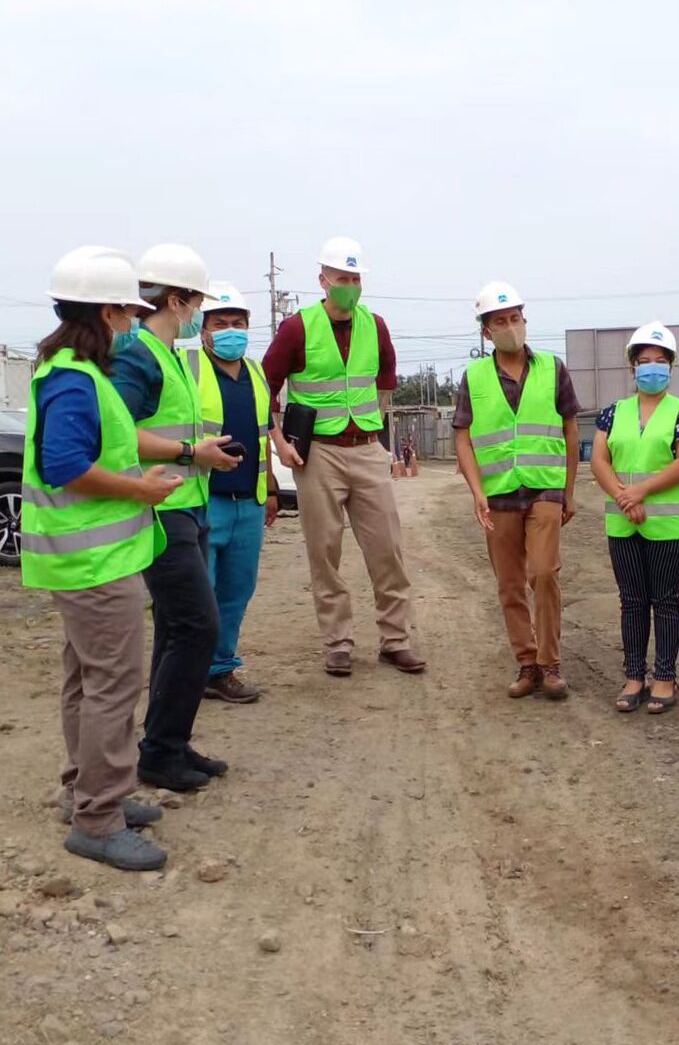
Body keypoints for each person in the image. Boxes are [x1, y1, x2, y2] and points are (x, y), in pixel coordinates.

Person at [21, 247, 179, 870]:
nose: (134, 323)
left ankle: (82, 791)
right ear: (107, 312)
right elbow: (64, 464)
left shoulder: (69, 369)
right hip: (95, 566)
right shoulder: (75, 378)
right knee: (112, 686)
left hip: (83, 560)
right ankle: (98, 818)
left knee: (87, 681)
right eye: (129, 313)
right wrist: (140, 490)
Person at [263, 237, 425, 677]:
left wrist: (376, 428)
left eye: (355, 279)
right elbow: (266, 387)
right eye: (341, 278)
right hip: (318, 455)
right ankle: (337, 643)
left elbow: (386, 381)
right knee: (324, 551)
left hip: (367, 449)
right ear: (323, 280)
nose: (349, 286)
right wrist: (279, 442)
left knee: (388, 549)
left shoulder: (376, 326)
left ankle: (396, 640)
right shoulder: (297, 328)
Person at [111, 244, 241, 792]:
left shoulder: (169, 356)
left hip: (188, 504)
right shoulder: (137, 355)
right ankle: (161, 752)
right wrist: (190, 453)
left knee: (175, 627)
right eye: (196, 303)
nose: (198, 313)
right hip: (161, 509)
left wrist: (202, 456)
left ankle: (168, 743)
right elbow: (116, 431)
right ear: (175, 300)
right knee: (197, 625)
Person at [453, 281, 580, 699]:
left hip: (545, 489)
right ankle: (527, 663)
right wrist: (476, 492)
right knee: (509, 583)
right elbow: (462, 437)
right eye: (500, 322)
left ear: (525, 320)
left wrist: (569, 490)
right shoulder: (473, 377)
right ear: (486, 331)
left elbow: (570, 429)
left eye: (515, 318)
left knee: (543, 573)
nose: (510, 327)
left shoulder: (553, 369)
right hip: (499, 494)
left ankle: (550, 663)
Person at [591, 323, 679, 714]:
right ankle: (634, 676)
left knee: (666, 601)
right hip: (624, 524)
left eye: (660, 361)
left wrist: (639, 492)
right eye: (644, 361)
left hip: (670, 527)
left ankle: (665, 678)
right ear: (632, 367)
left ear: (670, 367)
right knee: (632, 602)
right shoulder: (613, 413)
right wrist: (624, 497)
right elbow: (600, 461)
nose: (651, 368)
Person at [182, 282, 278, 704]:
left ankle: (220, 670)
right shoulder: (187, 367)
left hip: (248, 502)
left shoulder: (257, 373)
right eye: (220, 323)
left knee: (236, 592)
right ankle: (186, 674)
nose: (230, 331)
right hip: (203, 499)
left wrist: (270, 490)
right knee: (198, 596)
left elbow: (263, 436)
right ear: (203, 329)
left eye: (237, 323)